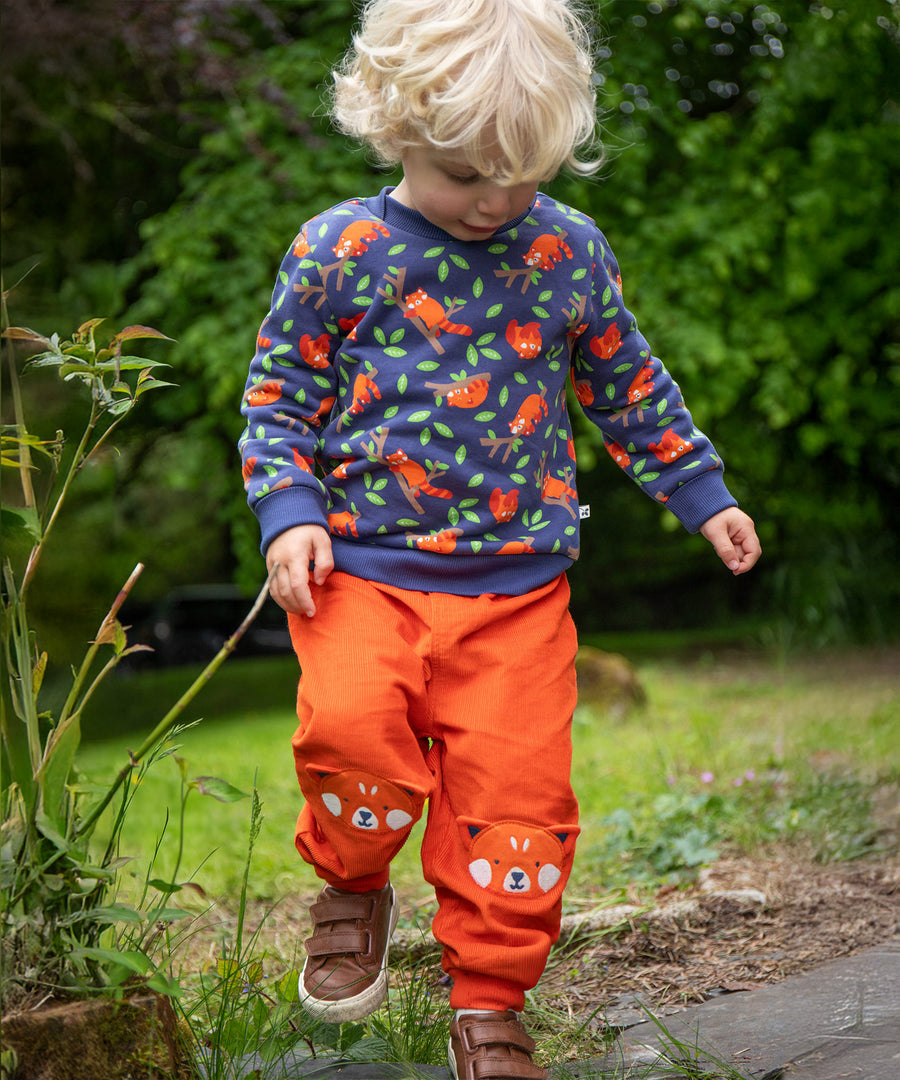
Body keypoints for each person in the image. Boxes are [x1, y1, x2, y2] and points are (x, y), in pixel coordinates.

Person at [238, 0, 761, 1074]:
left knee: (518, 804)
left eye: (522, 177)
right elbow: (277, 401)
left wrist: (702, 493)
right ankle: (352, 885)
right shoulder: (339, 250)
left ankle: (488, 1000)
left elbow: (630, 388)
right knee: (349, 737)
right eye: (466, 177)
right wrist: (288, 514)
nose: (495, 203)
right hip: (362, 578)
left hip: (519, 596)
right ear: (395, 130)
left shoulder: (567, 251)